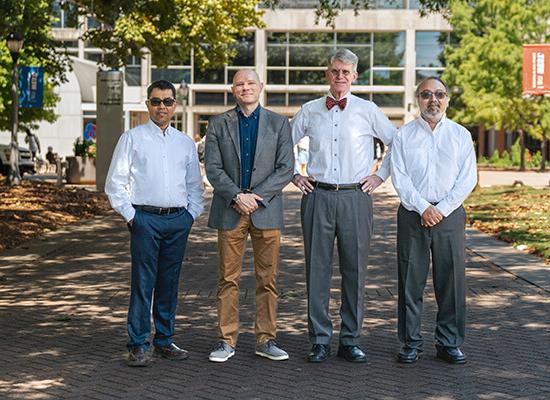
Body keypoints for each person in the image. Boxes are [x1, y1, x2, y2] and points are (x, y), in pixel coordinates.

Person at [291, 49, 396, 363]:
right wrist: (295, 174)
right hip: (317, 196)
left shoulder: (368, 110)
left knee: (355, 270)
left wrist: (380, 176)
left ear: (355, 76)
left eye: (345, 72)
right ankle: (319, 339)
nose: (339, 77)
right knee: (317, 270)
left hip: (355, 197)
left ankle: (350, 339)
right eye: (335, 71)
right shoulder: (309, 110)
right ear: (327, 74)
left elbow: (395, 143)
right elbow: (284, 143)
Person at [105, 79, 204, 367]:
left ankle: (164, 340)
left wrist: (190, 215)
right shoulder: (132, 138)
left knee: (169, 283)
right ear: (148, 104)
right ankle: (138, 343)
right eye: (156, 101)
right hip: (145, 219)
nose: (162, 106)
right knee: (143, 283)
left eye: (168, 101)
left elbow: (194, 186)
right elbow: (115, 184)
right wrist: (133, 217)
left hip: (177, 220)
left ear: (175, 105)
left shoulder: (185, 143)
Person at [205, 69, 294, 363]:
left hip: (265, 210)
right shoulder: (218, 124)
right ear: (233, 89)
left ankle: (266, 339)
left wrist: (255, 197)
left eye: (251, 83)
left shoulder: (280, 123)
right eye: (240, 84)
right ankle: (226, 340)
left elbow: (285, 168)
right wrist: (236, 196)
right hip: (231, 209)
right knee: (227, 279)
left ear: (261, 87)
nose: (246, 88)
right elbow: (213, 168)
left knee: (267, 279)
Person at [390, 77, 477, 365]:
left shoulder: (461, 135)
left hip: (449, 216)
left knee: (451, 281)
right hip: (413, 215)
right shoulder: (403, 136)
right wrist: (424, 207)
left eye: (439, 94)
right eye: (426, 95)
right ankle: (410, 343)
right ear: (418, 99)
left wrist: (442, 209)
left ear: (447, 99)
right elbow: (399, 177)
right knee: (410, 282)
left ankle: (449, 342)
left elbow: (468, 179)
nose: (433, 100)